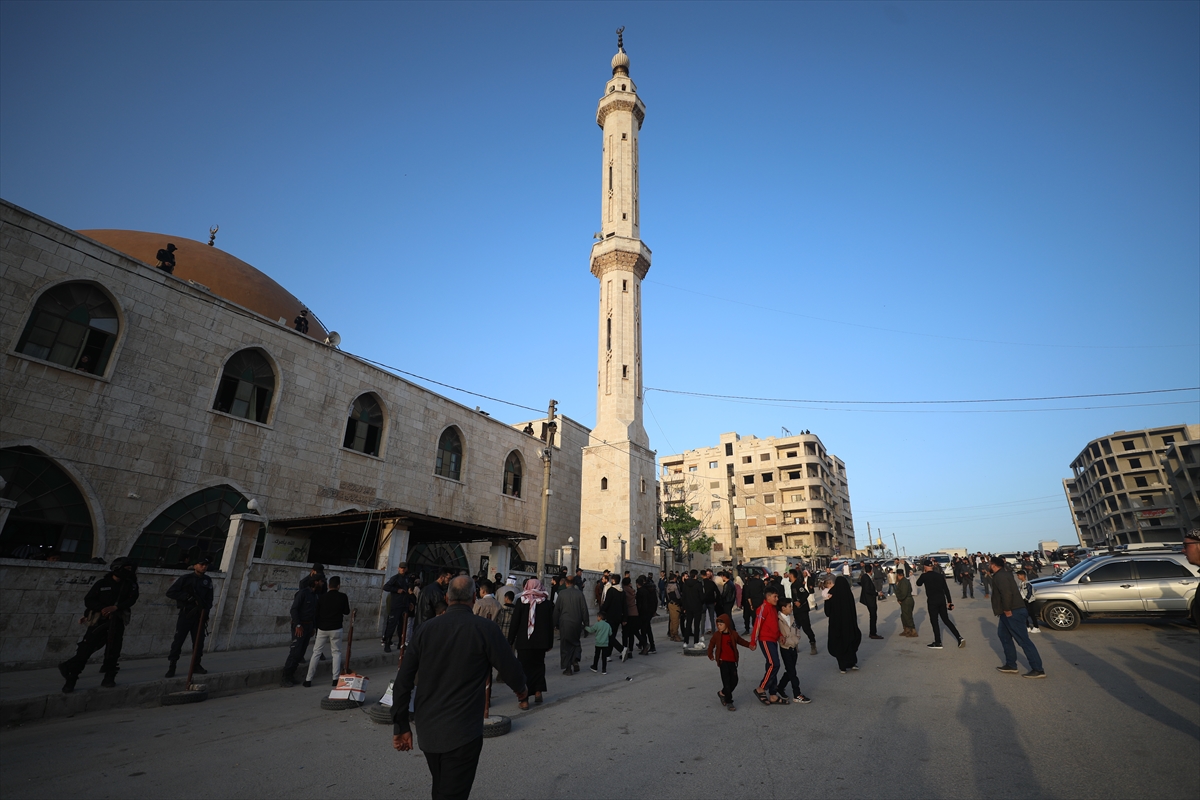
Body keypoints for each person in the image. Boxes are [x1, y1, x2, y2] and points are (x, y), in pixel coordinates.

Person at [392, 576, 526, 800]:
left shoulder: (425, 629)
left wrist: (400, 725)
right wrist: (521, 690)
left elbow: (403, 680)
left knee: (441, 785)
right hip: (463, 731)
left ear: (447, 598)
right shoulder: (485, 629)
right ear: (474, 598)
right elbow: (510, 667)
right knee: (452, 791)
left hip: (428, 729)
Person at [59, 558, 140, 692]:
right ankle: (71, 678)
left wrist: (116, 608)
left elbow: (132, 600)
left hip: (116, 621)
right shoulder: (102, 583)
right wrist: (102, 609)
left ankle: (109, 677)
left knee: (113, 650)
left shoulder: (130, 585)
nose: (129, 572)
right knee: (85, 649)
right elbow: (89, 600)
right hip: (99, 622)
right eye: (126, 569)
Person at [989, 557, 1045, 678]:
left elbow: (1006, 593)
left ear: (993, 565)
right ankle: (1011, 664)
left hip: (1013, 611)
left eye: (990, 564)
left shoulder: (1001, 576)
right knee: (1003, 636)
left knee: (1023, 640)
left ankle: (1038, 669)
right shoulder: (1001, 574)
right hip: (1006, 613)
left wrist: (1007, 609)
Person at [164, 556, 214, 678]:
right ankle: (172, 665)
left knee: (198, 642)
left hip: (199, 616)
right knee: (178, 640)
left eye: (206, 565)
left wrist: (205, 612)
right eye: (201, 564)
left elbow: (209, 599)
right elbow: (171, 592)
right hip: (186, 614)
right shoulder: (185, 579)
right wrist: (186, 597)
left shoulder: (207, 580)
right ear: (195, 565)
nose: (204, 567)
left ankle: (196, 665)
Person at [508, 578, 554, 706]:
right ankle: (538, 691)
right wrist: (549, 643)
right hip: (540, 643)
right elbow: (550, 625)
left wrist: (510, 640)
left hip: (524, 642)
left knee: (523, 669)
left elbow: (515, 622)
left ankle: (524, 700)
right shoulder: (546, 603)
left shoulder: (521, 601)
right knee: (538, 666)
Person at [306, 575, 351, 687]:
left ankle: (308, 679)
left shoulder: (322, 597)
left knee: (316, 653)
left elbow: (316, 614)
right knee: (336, 653)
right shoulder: (343, 597)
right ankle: (335, 679)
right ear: (338, 586)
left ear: (329, 585)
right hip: (336, 628)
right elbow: (346, 611)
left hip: (322, 628)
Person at [281, 574, 323, 687]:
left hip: (308, 626)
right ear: (316, 582)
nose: (322, 584)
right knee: (295, 651)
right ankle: (285, 677)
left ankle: (291, 675)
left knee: (301, 653)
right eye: (321, 581)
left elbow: (313, 613)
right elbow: (294, 610)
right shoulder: (303, 593)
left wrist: (313, 627)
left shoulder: (315, 596)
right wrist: (298, 625)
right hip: (300, 626)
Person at [707, 613, 753, 711]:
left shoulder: (733, 634)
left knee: (734, 681)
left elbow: (741, 641)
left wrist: (749, 645)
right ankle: (729, 701)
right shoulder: (717, 635)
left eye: (721, 624)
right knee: (726, 682)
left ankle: (722, 693)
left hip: (732, 661)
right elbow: (711, 645)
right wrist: (710, 655)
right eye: (718, 625)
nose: (719, 627)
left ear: (727, 624)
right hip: (723, 662)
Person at [749, 587, 786, 705]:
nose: (777, 599)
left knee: (770, 665)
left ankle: (773, 694)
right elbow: (757, 625)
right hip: (765, 639)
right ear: (768, 597)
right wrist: (753, 641)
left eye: (777, 596)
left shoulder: (773, 608)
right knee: (774, 664)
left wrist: (780, 635)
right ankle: (761, 688)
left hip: (773, 640)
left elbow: (775, 624)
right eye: (775, 596)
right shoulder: (763, 608)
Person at [916, 559, 963, 650]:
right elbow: (946, 589)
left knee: (934, 621)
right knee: (946, 620)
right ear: (932, 566)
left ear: (925, 566)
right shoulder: (939, 576)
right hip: (942, 600)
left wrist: (923, 573)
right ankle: (959, 637)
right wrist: (949, 602)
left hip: (932, 601)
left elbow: (918, 583)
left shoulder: (924, 576)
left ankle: (938, 642)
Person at [775, 597, 812, 704]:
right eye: (789, 606)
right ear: (783, 608)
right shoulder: (777, 619)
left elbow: (797, 629)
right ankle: (797, 694)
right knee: (792, 672)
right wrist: (782, 641)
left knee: (790, 670)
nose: (791, 608)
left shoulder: (792, 617)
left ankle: (780, 687)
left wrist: (797, 639)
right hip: (785, 648)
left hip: (793, 647)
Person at [553, 575, 590, 674]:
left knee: (565, 645)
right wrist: (586, 624)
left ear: (566, 583)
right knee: (576, 642)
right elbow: (584, 610)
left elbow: (557, 610)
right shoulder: (579, 594)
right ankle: (575, 659)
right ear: (574, 583)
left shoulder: (562, 594)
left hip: (565, 623)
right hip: (577, 622)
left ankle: (568, 667)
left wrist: (553, 623)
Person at [825, 575, 861, 673]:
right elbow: (853, 611)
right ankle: (852, 663)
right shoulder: (848, 594)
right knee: (850, 642)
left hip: (836, 625)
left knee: (839, 644)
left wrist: (827, 601)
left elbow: (827, 612)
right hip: (849, 625)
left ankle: (842, 666)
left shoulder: (832, 594)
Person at [382, 562, 412, 652]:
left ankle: (401, 644)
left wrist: (410, 602)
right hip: (396, 605)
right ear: (399, 568)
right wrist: (396, 590)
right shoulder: (395, 578)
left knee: (402, 626)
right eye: (401, 568)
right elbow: (386, 587)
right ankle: (387, 644)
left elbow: (408, 592)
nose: (403, 569)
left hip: (404, 605)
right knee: (392, 625)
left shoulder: (407, 578)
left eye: (404, 568)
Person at [680, 569, 705, 648]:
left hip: (688, 607)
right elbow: (701, 597)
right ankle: (695, 642)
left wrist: (684, 607)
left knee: (688, 624)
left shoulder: (685, 584)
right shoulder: (698, 584)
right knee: (696, 625)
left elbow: (683, 597)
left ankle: (685, 642)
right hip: (697, 607)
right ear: (696, 575)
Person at [859, 563, 884, 639]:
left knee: (873, 616)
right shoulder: (866, 578)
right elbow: (867, 590)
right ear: (871, 570)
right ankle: (873, 633)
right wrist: (877, 593)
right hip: (870, 599)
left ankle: (873, 632)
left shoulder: (865, 577)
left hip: (868, 599)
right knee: (873, 616)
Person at [635, 575, 658, 655]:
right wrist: (654, 611)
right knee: (647, 629)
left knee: (643, 630)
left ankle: (646, 645)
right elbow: (655, 600)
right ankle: (649, 645)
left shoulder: (642, 591)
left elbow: (640, 604)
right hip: (649, 612)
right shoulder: (651, 588)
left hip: (643, 613)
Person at [620, 577, 641, 659]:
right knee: (631, 633)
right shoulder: (632, 591)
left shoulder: (623, 592)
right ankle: (630, 651)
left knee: (625, 634)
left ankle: (625, 650)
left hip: (627, 614)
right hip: (634, 613)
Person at [894, 569, 917, 637]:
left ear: (898, 575)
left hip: (906, 600)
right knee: (904, 616)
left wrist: (900, 599)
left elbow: (904, 593)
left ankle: (913, 631)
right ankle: (906, 630)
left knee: (908, 616)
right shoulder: (902, 581)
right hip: (905, 600)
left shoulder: (904, 582)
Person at [741, 570, 765, 635]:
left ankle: (751, 629)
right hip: (760, 601)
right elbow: (764, 591)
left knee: (750, 616)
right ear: (758, 576)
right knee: (759, 616)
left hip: (751, 602)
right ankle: (759, 629)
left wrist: (750, 604)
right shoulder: (760, 582)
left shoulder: (748, 584)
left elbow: (747, 595)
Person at [666, 573, 682, 642]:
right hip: (675, 604)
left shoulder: (667, 585)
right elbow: (678, 596)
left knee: (672, 620)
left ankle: (672, 634)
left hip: (670, 603)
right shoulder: (675, 585)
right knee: (676, 620)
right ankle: (675, 635)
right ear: (675, 578)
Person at [702, 570, 719, 634]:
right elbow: (717, 592)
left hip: (703, 602)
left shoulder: (701, 583)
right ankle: (713, 630)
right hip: (711, 601)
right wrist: (716, 600)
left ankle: (702, 633)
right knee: (712, 617)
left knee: (703, 618)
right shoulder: (711, 583)